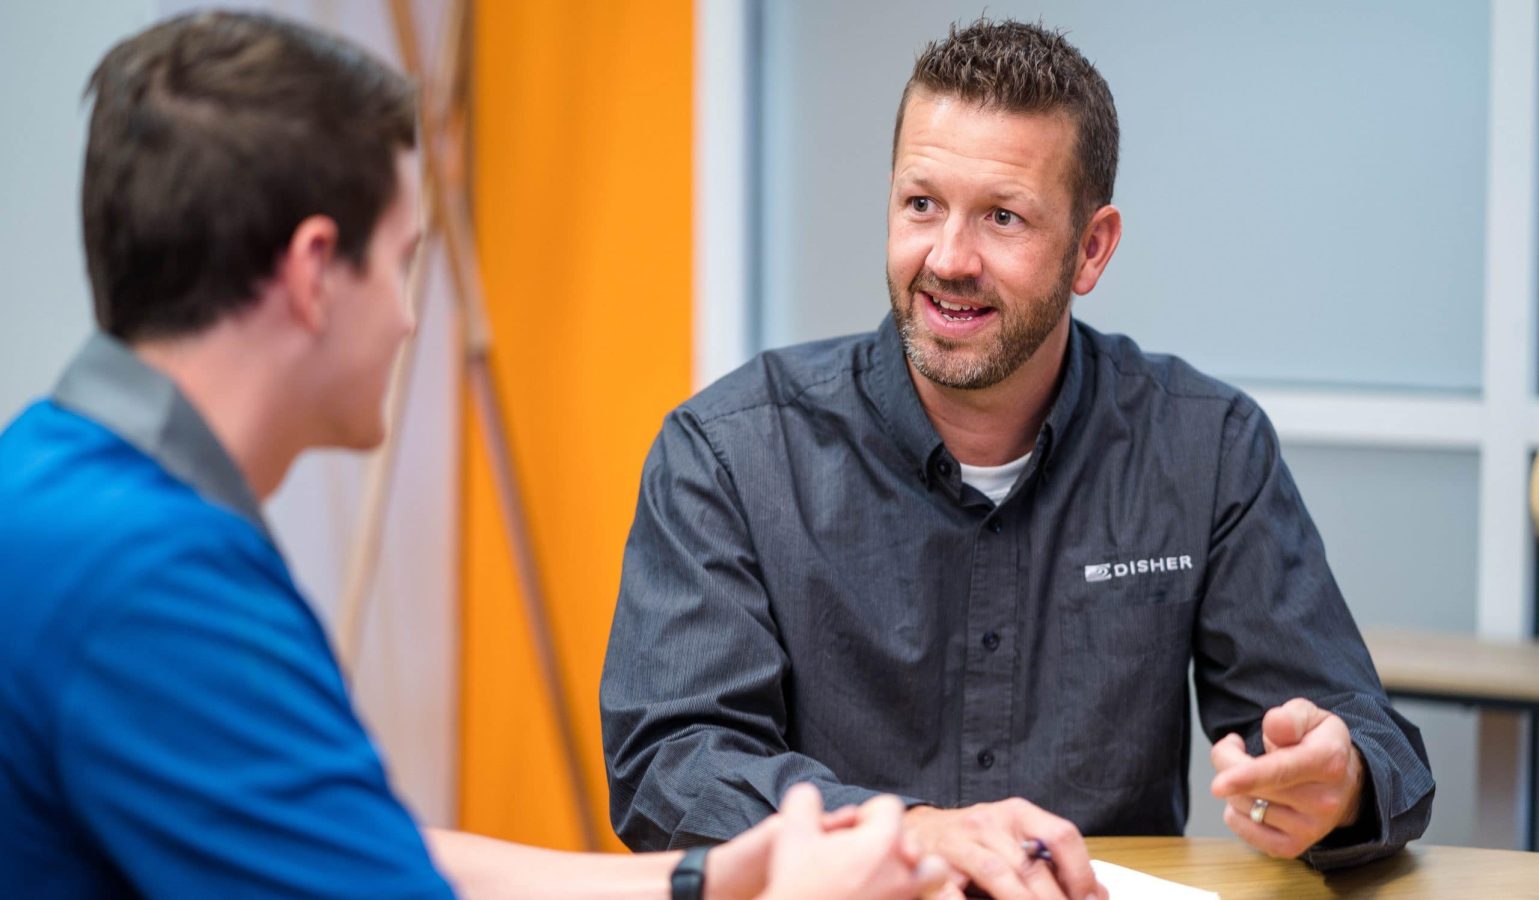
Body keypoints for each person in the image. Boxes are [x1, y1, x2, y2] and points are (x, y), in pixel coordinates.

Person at [0, 11, 950, 899]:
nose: (411, 318)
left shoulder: (48, 483)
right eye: (404, 261)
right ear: (312, 273)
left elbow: (361, 845)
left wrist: (694, 881)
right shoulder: (155, 584)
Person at [601, 17, 1435, 900]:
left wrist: (1337, 785)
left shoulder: (1205, 447)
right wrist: (914, 834)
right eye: (920, 204)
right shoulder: (729, 453)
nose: (948, 259)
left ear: (1091, 248)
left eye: (1002, 217)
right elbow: (671, 765)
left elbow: (1358, 742)